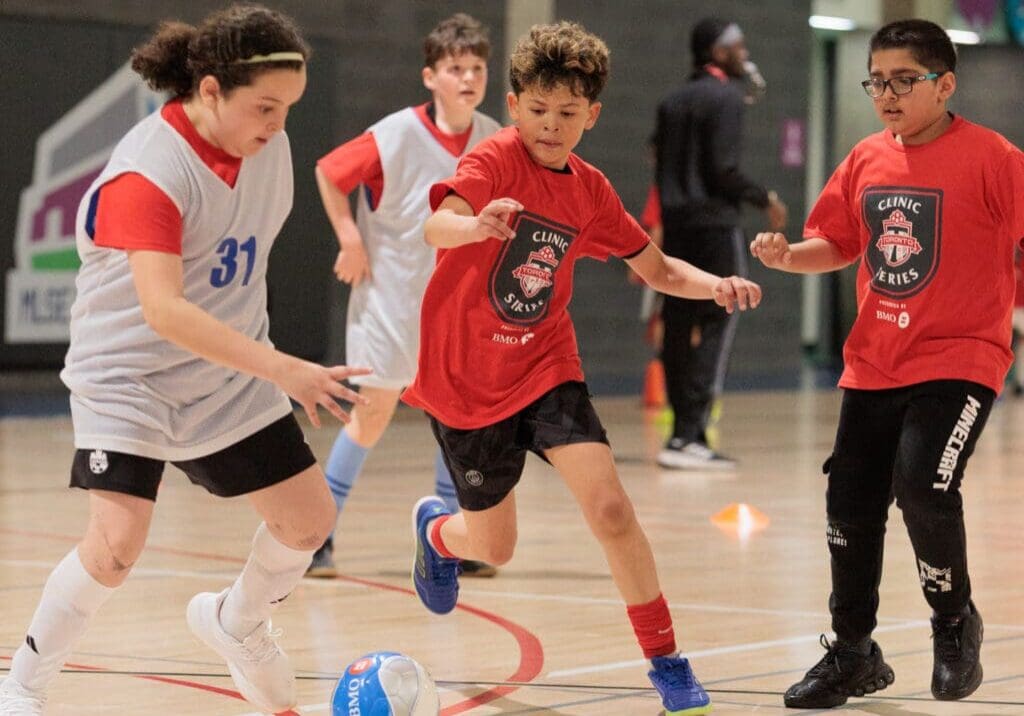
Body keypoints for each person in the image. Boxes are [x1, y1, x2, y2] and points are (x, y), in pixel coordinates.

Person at [0, 6, 369, 714]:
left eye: (288, 108)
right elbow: (164, 311)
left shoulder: (267, 148)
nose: (278, 124)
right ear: (209, 91)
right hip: (129, 374)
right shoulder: (151, 171)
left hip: (224, 371)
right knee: (115, 546)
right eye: (265, 107)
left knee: (308, 523)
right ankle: (23, 684)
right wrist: (283, 368)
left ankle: (238, 621)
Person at [403, 21, 763, 715]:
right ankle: (436, 535)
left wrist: (715, 284)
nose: (551, 124)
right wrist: (474, 226)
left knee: (611, 509)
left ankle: (667, 663)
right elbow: (436, 223)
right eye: (538, 109)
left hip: (545, 367)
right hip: (465, 377)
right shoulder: (492, 160)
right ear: (514, 106)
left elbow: (657, 268)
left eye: (567, 113)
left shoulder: (590, 192)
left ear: (591, 115)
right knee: (495, 547)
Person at [750, 18, 1024, 709]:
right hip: (875, 361)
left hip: (961, 356)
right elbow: (839, 242)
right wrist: (789, 257)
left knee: (924, 486)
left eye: (904, 80)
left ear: (945, 84)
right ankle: (853, 652)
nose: (887, 95)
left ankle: (954, 623)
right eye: (876, 82)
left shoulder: (994, 158)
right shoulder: (866, 159)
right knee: (849, 502)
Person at [309, 13, 501, 579]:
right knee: (370, 418)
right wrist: (350, 238)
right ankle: (316, 539)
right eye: (456, 68)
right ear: (430, 76)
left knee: (456, 420)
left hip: (458, 309)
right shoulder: (394, 134)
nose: (468, 78)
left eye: (477, 68)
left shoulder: (494, 137)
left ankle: (451, 542)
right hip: (392, 300)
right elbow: (329, 172)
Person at [652, 17, 787, 470]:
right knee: (720, 320)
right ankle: (694, 434)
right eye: (738, 45)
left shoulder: (672, 100)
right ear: (717, 50)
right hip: (714, 225)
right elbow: (723, 170)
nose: (744, 53)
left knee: (676, 325)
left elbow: (657, 156)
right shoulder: (726, 97)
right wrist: (764, 198)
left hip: (677, 227)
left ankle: (678, 435)